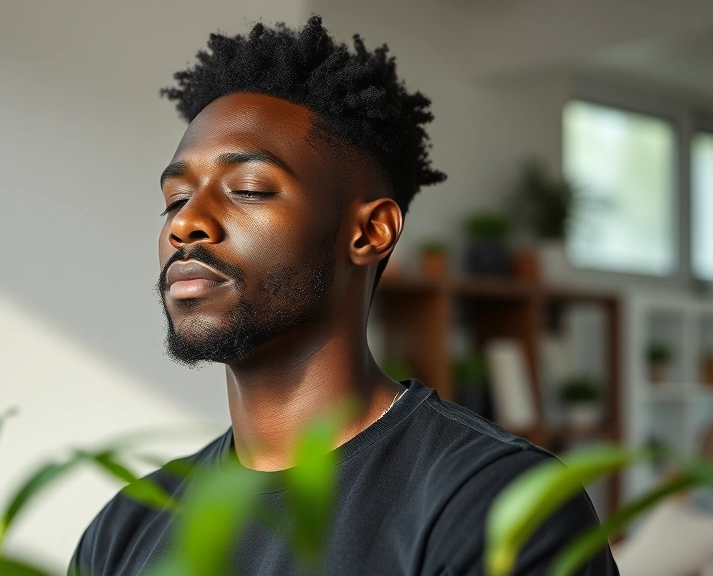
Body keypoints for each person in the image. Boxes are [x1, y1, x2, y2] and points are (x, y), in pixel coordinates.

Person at [69, 16, 618, 576]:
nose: (187, 223)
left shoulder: (494, 504)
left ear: (369, 232)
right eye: (175, 199)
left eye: (250, 189)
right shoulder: (126, 528)